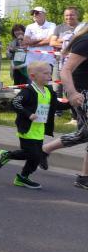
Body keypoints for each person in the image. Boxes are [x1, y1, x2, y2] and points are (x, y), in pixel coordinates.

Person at [0, 61, 69, 189]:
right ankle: (7, 155)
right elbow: (15, 103)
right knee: (33, 154)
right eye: (45, 73)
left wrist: (71, 103)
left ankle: (23, 178)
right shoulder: (28, 91)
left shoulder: (48, 91)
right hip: (27, 128)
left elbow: (57, 105)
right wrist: (28, 114)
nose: (49, 76)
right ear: (33, 76)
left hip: (39, 129)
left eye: (50, 73)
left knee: (36, 156)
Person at [42, 27, 88, 189]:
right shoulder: (85, 41)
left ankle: (44, 150)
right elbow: (66, 70)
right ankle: (84, 178)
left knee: (84, 134)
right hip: (82, 93)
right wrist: (72, 93)